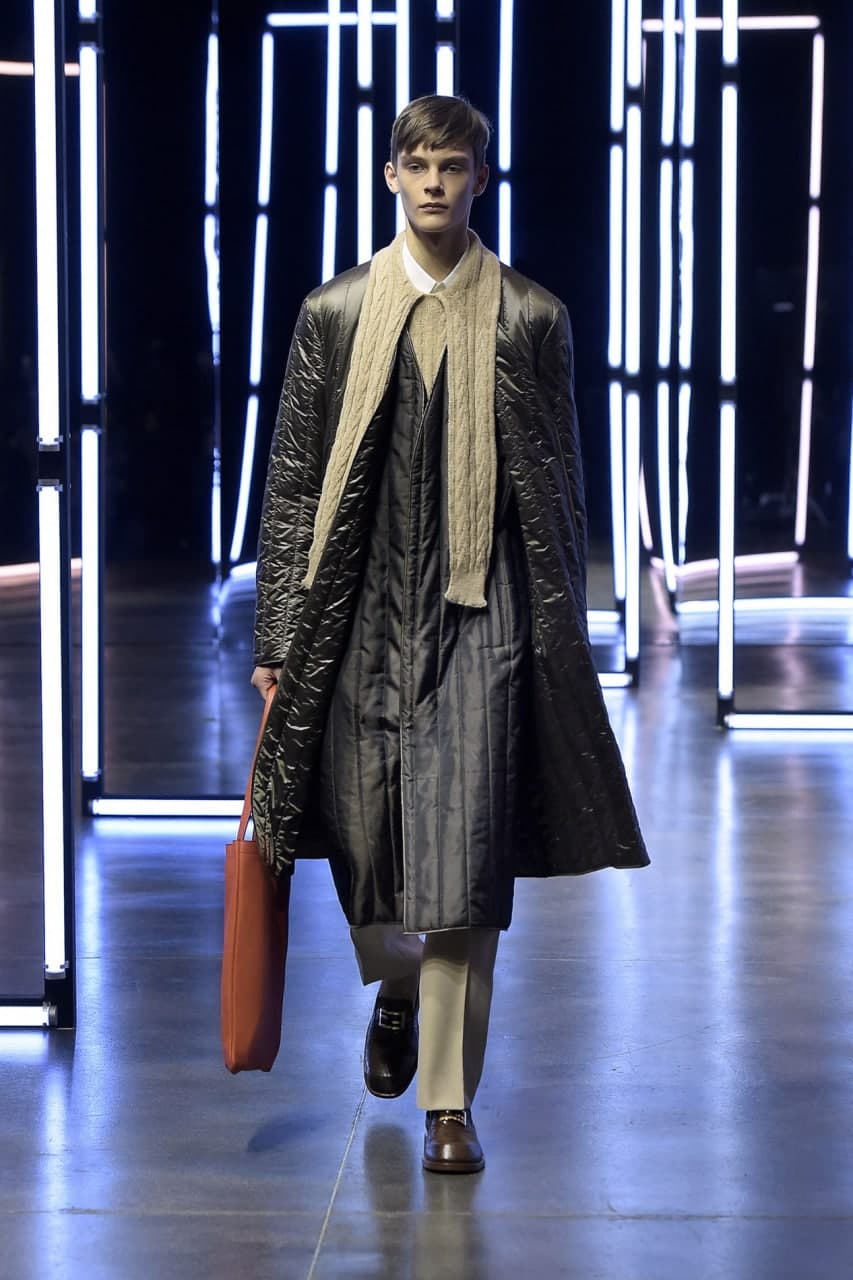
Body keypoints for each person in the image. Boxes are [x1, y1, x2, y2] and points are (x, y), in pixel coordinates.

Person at [250, 95, 648, 1174]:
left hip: (486, 614)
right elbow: (292, 483)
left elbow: (559, 490)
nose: (434, 182)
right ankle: (394, 980)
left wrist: (557, 642)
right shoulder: (334, 312)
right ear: (391, 176)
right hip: (356, 616)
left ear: (480, 177)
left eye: (454, 165)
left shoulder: (530, 315)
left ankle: (447, 1102)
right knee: (363, 847)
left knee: (468, 868)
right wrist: (279, 635)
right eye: (417, 164)